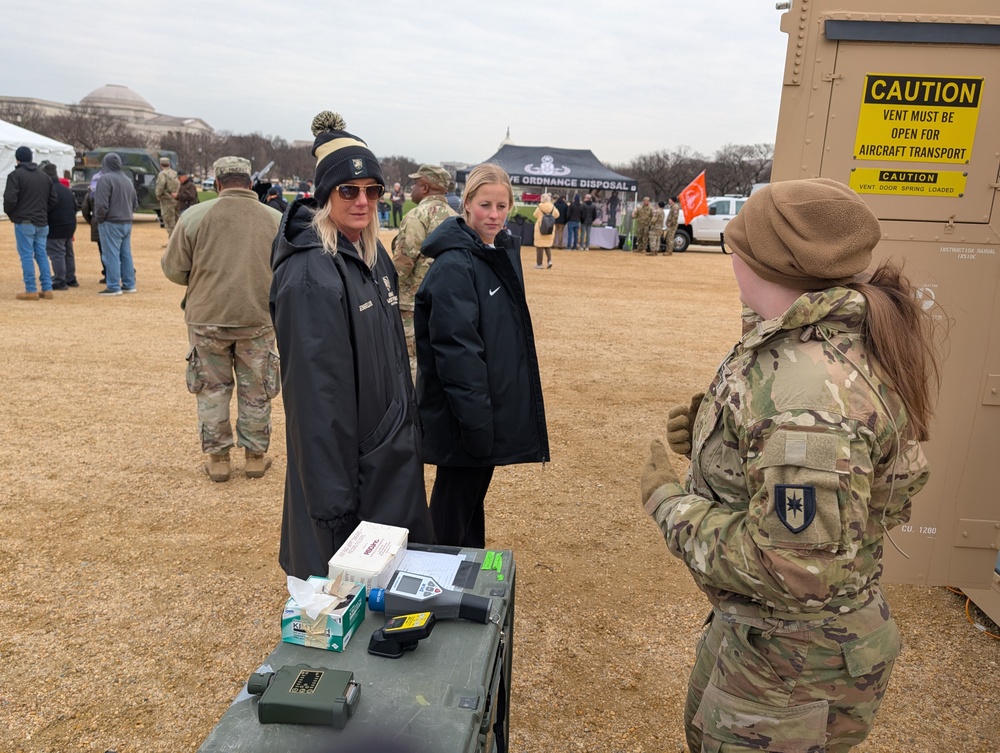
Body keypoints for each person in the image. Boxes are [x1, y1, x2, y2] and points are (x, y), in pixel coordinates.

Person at [639, 178, 940, 753]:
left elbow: (794, 571)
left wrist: (668, 503)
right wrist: (723, 439)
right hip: (775, 651)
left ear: (760, 263)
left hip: (791, 667)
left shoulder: (806, 392)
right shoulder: (818, 340)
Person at [270, 110, 434, 579]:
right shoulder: (309, 276)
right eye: (348, 190)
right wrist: (333, 512)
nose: (362, 201)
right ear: (325, 194)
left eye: (372, 191)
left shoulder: (369, 250)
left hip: (389, 466)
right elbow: (316, 404)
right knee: (344, 609)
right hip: (353, 483)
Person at [414, 163, 549, 548]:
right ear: (467, 204)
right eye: (485, 204)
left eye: (502, 206)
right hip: (465, 420)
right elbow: (458, 354)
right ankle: (433, 586)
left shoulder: (491, 255)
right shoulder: (456, 266)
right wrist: (476, 424)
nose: (494, 214)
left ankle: (463, 581)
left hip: (482, 416)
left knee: (468, 507)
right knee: (450, 515)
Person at [161, 156, 283, 483]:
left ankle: (218, 460)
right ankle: (255, 456)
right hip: (257, 316)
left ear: (217, 183)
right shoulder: (276, 219)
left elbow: (174, 270)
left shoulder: (193, 217)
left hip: (207, 318)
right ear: (249, 183)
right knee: (257, 388)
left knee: (211, 389)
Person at [391, 164, 457, 377]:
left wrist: (389, 291)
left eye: (416, 184)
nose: (413, 189)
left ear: (426, 187)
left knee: (410, 358)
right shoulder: (457, 218)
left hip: (413, 302)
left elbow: (404, 261)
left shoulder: (418, 215)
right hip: (445, 302)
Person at [3, 145, 57, 300]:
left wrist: (13, 214)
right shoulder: (44, 177)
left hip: (24, 221)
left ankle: (31, 289)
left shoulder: (15, 175)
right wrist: (42, 211)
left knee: (26, 255)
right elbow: (53, 200)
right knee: (41, 254)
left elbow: (9, 200)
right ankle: (47, 288)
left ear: (17, 159)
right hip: (42, 222)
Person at [93, 152, 138, 296]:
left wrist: (100, 218)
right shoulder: (127, 179)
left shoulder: (105, 179)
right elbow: (135, 203)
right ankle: (129, 284)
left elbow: (101, 204)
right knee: (126, 254)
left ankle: (113, 286)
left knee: (110, 255)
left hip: (111, 221)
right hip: (126, 221)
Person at [40, 162, 78, 289]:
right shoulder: (66, 190)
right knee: (68, 252)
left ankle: (59, 280)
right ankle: (70, 278)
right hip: (70, 225)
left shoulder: (48, 191)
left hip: (56, 226)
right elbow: (75, 206)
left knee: (57, 253)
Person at [155, 155, 180, 245]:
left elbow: (161, 185)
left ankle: (172, 242)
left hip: (166, 199)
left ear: (161, 164)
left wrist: (158, 194)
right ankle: (176, 240)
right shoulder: (174, 173)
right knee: (176, 220)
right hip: (176, 199)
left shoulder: (163, 174)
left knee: (168, 220)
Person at [532, 192, 558, 269]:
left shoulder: (540, 207)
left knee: (539, 247)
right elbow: (557, 215)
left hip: (540, 228)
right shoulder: (552, 207)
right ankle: (549, 261)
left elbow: (535, 215)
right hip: (549, 228)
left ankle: (539, 264)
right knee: (548, 246)